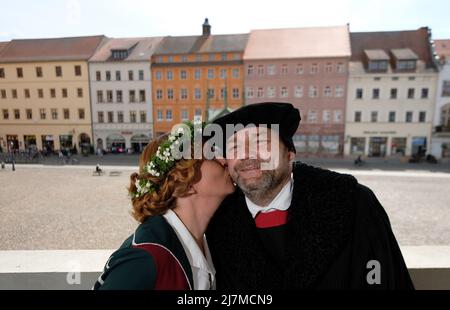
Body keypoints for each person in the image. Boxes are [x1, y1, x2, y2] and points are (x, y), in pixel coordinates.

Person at [207, 102, 414, 289]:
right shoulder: (218, 224)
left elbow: (383, 280)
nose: (246, 155)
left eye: (260, 142)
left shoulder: (353, 204)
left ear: (290, 156)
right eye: (234, 147)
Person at [94, 121, 235, 290]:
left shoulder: (208, 242)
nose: (224, 160)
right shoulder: (144, 257)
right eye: (211, 154)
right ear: (183, 179)